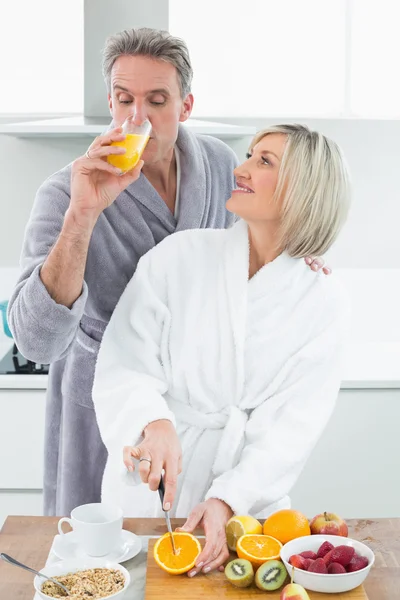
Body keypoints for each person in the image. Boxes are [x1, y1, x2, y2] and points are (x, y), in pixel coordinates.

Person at [7, 28, 328, 517]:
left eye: (157, 100)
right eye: (123, 100)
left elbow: (253, 242)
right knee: (95, 561)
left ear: (186, 105)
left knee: (193, 559)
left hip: (196, 401)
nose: (138, 118)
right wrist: (82, 217)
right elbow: (35, 343)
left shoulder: (220, 166)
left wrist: (299, 249)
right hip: (106, 400)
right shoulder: (66, 194)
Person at [93, 124, 351, 576]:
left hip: (249, 513)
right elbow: (124, 363)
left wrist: (229, 499)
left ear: (305, 190)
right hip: (153, 493)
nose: (241, 168)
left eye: (264, 161)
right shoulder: (178, 257)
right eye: (250, 155)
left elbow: (292, 427)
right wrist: (152, 423)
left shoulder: (322, 301)